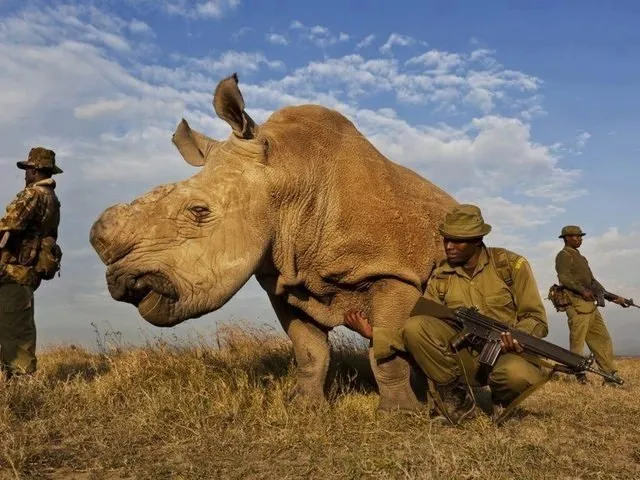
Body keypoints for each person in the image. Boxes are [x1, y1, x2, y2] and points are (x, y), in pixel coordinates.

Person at [344, 204, 549, 424]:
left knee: (516, 375)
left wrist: (517, 336)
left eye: (457, 241)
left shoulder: (510, 266)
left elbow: (536, 320)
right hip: (464, 358)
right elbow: (418, 332)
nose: (448, 246)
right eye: (446, 239)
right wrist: (373, 333)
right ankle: (456, 400)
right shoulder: (441, 276)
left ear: (477, 240)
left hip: (506, 354)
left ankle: (502, 399)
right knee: (416, 326)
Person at [0, 147, 63, 379]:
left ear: (36, 170)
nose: (25, 174)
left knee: (15, 330)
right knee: (13, 326)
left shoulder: (33, 195)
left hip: (15, 272)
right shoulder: (52, 199)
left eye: (28, 169)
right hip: (25, 272)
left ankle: (21, 386)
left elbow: (9, 223)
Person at [555, 225, 626, 386]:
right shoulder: (564, 255)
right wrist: (582, 290)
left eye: (580, 236)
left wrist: (612, 297)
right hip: (577, 305)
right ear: (566, 238)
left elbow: (593, 282)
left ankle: (610, 375)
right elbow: (564, 278)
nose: (579, 239)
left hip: (590, 306)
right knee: (577, 343)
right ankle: (578, 376)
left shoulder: (581, 257)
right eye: (575, 236)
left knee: (602, 339)